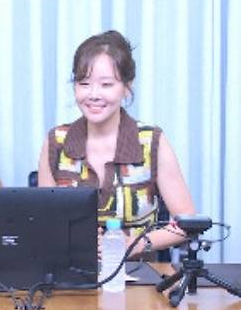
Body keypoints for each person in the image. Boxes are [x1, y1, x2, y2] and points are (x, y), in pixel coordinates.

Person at [37, 30, 196, 256]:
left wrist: (136, 244)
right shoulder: (57, 141)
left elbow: (186, 224)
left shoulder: (151, 141)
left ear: (127, 87)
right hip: (72, 271)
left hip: (139, 271)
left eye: (106, 84)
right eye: (84, 83)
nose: (93, 94)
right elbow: (45, 221)